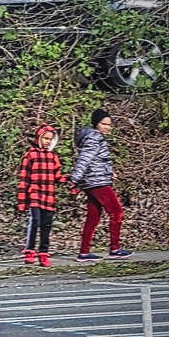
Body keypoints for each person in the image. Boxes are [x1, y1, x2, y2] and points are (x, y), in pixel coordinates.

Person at [69, 108, 133, 262]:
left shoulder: (93, 138)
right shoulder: (94, 138)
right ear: (96, 124)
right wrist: (74, 178)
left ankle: (84, 252)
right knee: (116, 212)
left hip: (93, 181)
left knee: (93, 217)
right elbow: (84, 159)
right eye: (103, 124)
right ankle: (115, 248)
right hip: (97, 183)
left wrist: (109, 172)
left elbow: (97, 161)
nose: (107, 127)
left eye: (109, 125)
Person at [16, 123, 67, 268]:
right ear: (39, 138)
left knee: (47, 224)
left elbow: (57, 176)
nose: (47, 142)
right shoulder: (30, 155)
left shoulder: (53, 157)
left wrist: (70, 179)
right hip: (34, 193)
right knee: (36, 221)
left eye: (50, 139)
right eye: (45, 138)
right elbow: (24, 179)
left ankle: (43, 253)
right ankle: (30, 250)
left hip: (49, 194)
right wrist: (21, 201)